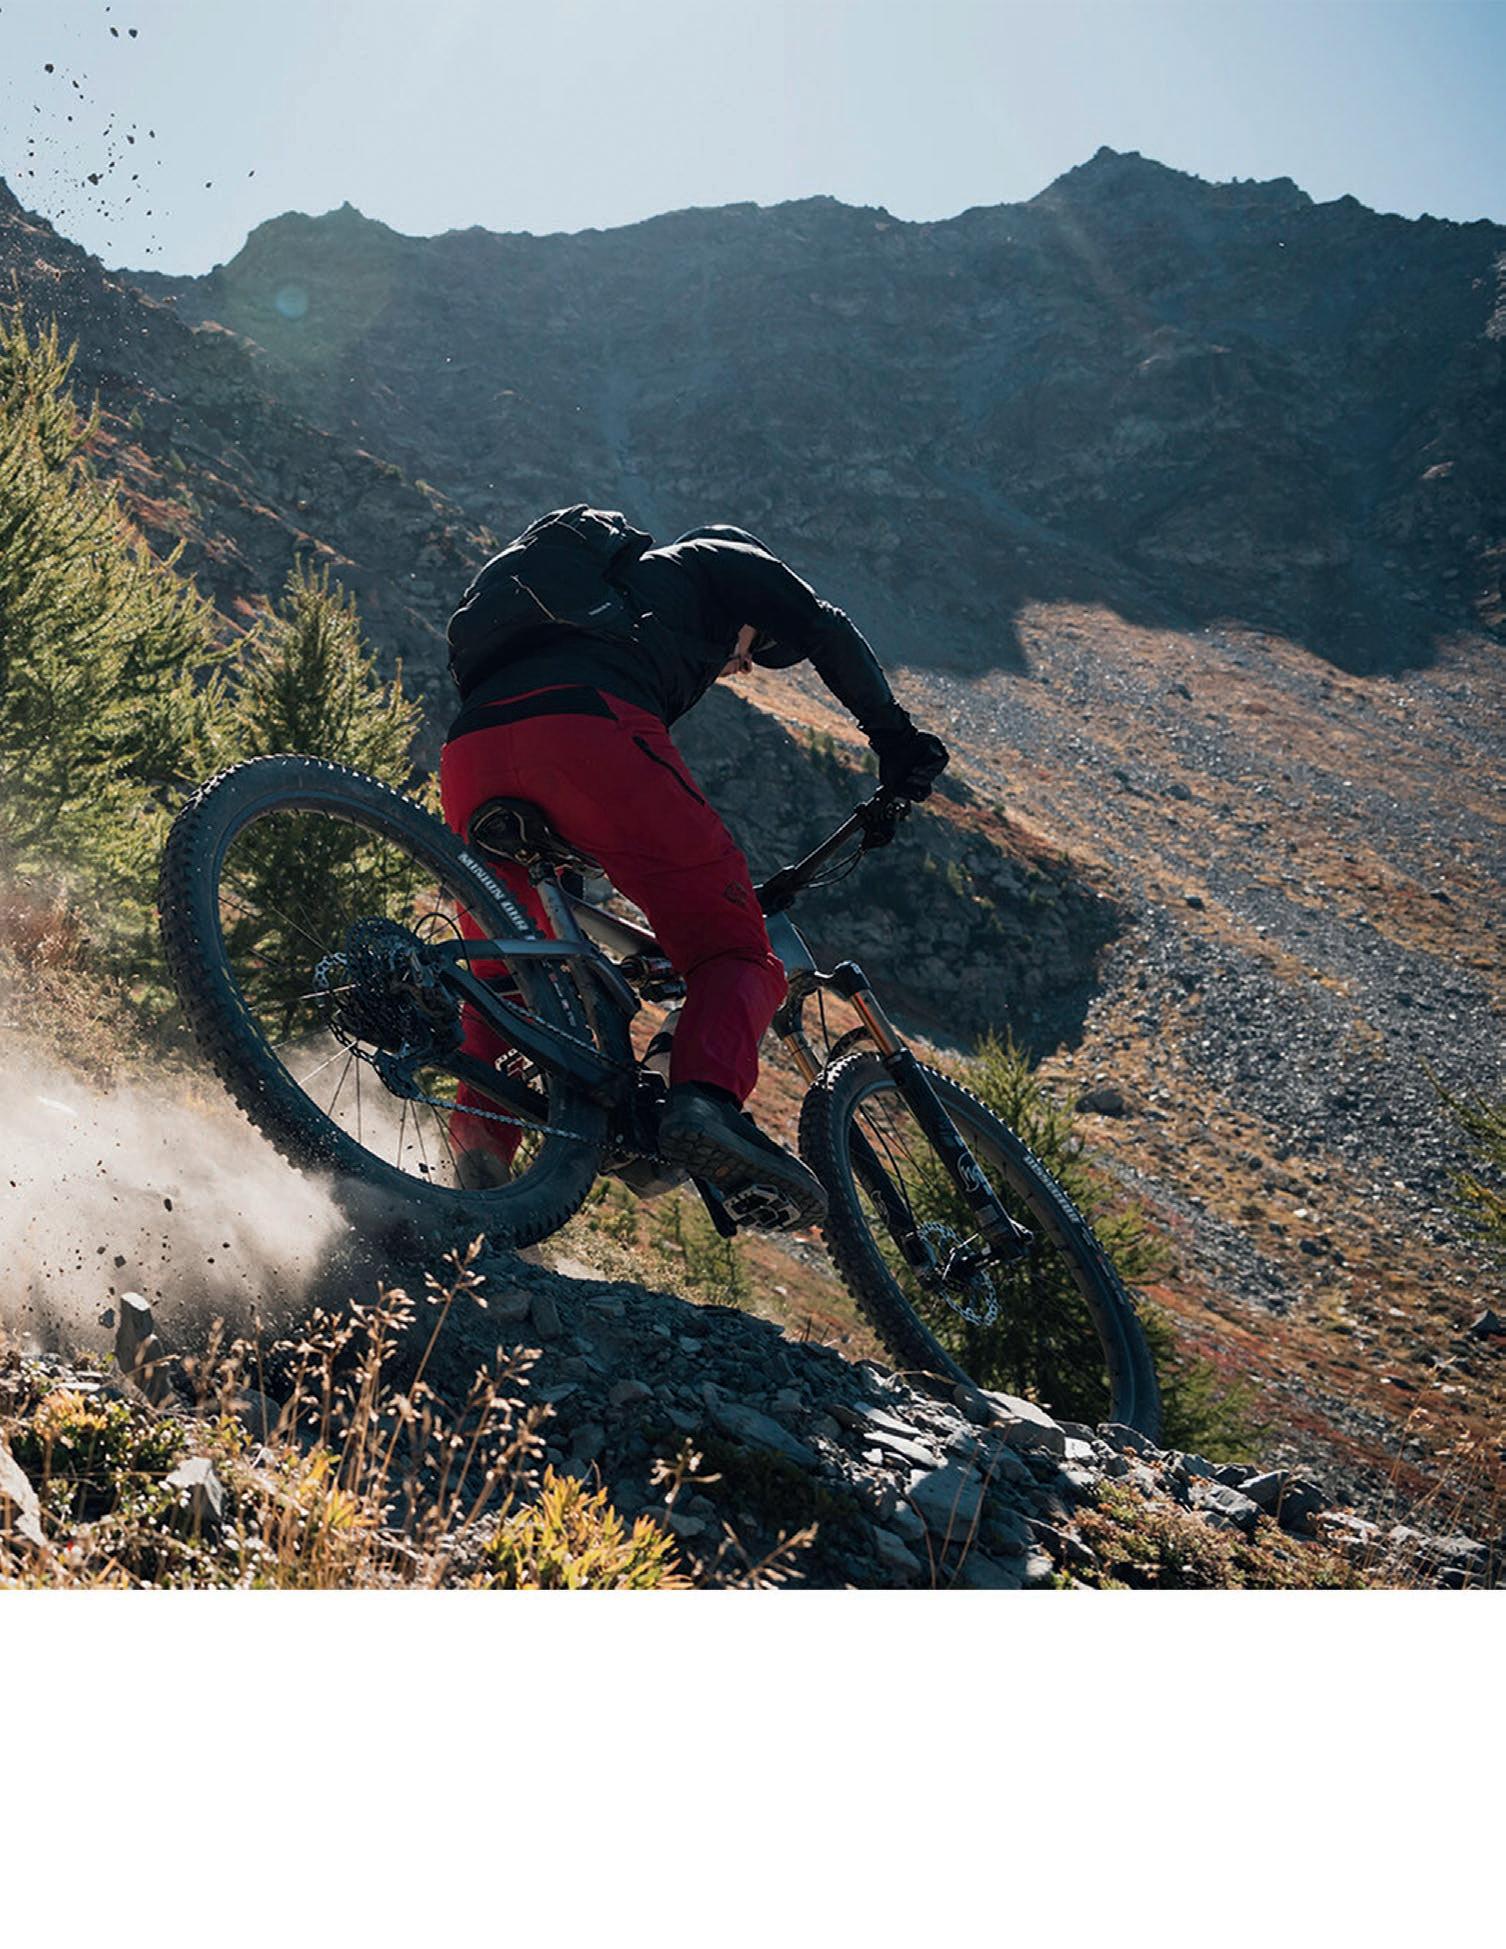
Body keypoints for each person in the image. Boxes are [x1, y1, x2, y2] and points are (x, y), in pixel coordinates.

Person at [438, 517, 949, 1227]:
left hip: (471, 755)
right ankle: (703, 1103)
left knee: (519, 975)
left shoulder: (608, 610)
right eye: (757, 650)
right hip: (587, 731)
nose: (745, 667)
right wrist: (895, 739)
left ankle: (474, 1161)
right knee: (733, 951)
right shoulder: (717, 559)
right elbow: (822, 624)